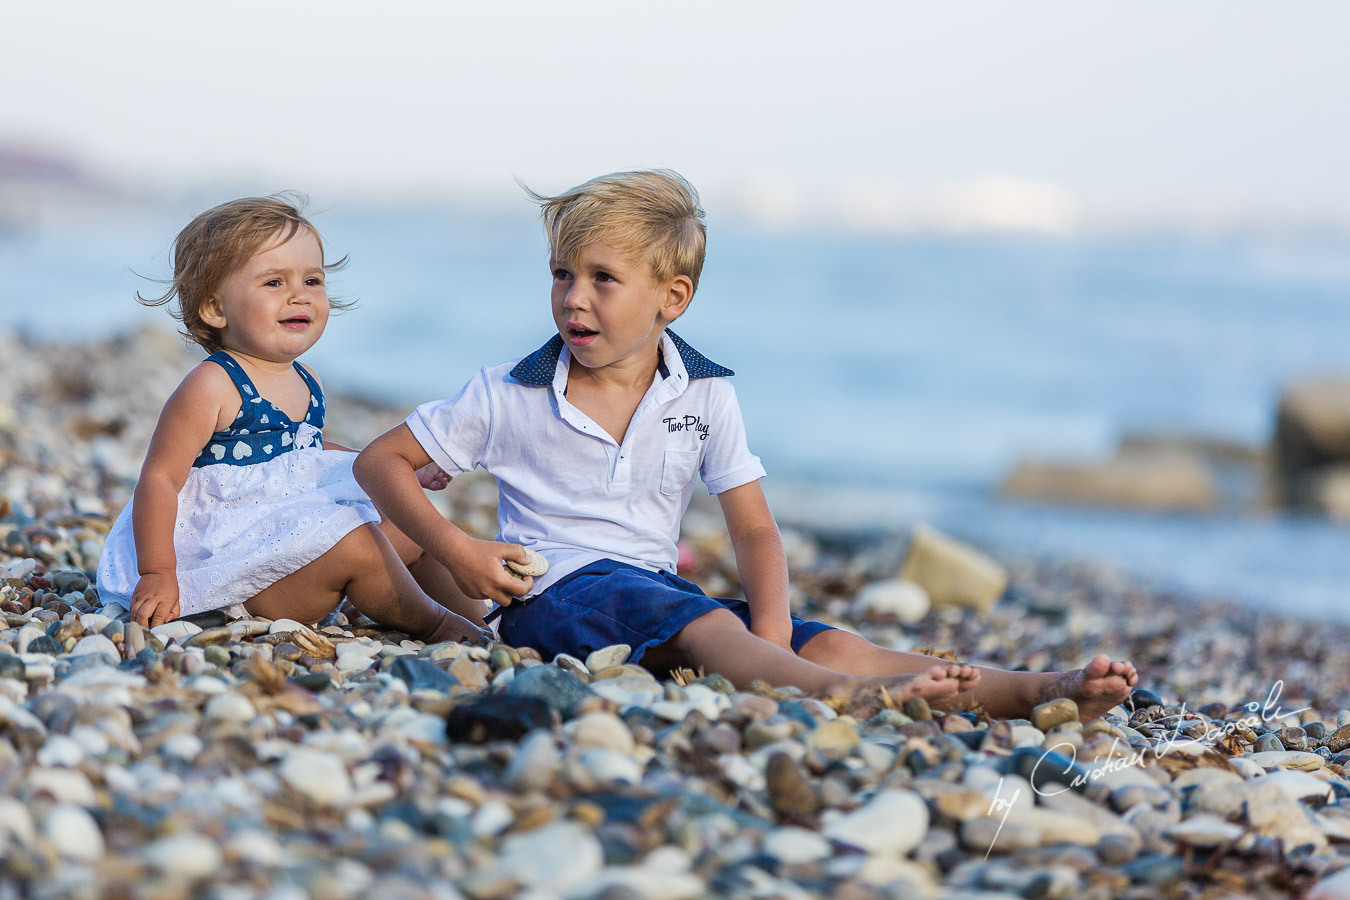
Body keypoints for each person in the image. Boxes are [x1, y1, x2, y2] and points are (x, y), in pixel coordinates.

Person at [354, 171, 1137, 716]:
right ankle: (835, 699)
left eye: (602, 278)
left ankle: (1038, 690)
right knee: (713, 630)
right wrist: (455, 549)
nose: (574, 298)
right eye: (562, 275)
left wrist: (774, 633)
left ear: (673, 299)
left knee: (827, 643)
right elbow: (379, 461)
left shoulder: (703, 392)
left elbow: (755, 528)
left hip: (657, 599)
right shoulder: (508, 390)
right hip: (549, 599)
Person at [97, 195, 490, 645]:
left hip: (287, 537)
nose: (299, 294)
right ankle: (436, 624)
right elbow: (160, 479)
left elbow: (309, 454)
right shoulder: (213, 385)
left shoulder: (306, 379)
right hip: (234, 570)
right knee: (358, 545)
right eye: (273, 282)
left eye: (312, 279)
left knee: (412, 526)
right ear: (215, 308)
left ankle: (484, 623)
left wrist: (402, 470)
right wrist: (158, 572)